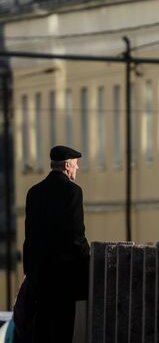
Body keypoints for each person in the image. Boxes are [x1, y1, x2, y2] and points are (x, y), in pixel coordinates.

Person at [18, 145, 90, 342]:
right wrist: (88, 261)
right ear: (67, 165)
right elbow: (76, 235)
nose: (77, 169)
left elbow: (29, 239)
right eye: (76, 165)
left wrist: (31, 274)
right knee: (62, 333)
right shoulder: (73, 192)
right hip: (64, 281)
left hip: (40, 281)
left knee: (42, 334)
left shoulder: (34, 192)